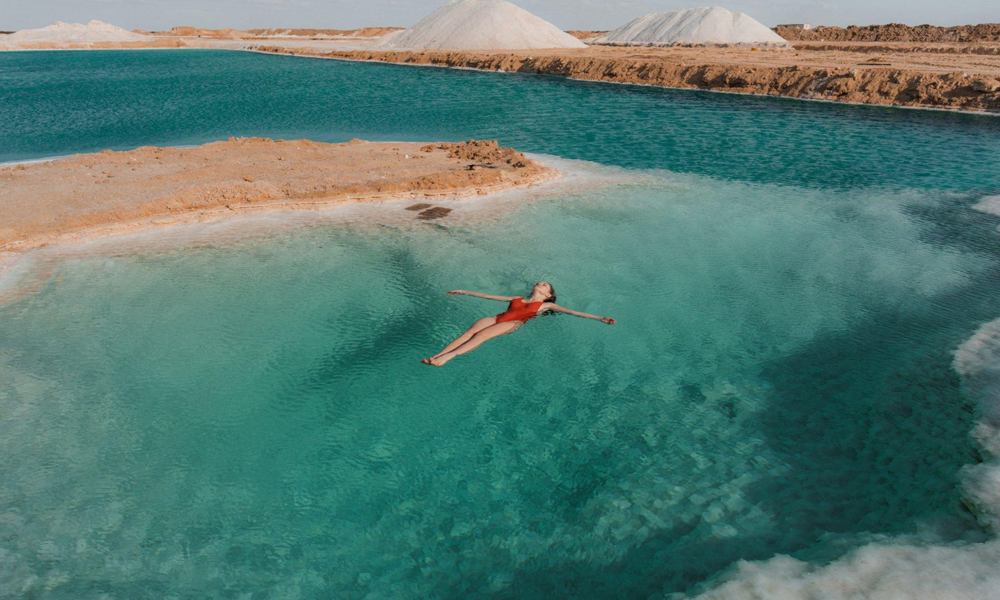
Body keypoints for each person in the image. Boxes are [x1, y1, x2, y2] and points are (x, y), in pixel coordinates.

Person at [421, 282, 616, 367]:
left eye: (545, 285)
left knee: (481, 336)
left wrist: (600, 318)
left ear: (548, 294)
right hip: (499, 317)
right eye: (539, 282)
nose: (540, 284)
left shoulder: (546, 305)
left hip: (513, 322)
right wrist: (463, 291)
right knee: (469, 332)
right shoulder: (518, 298)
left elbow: (575, 312)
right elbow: (489, 296)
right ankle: (437, 355)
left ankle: (448, 357)